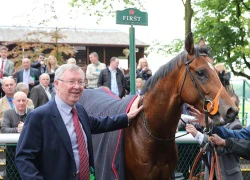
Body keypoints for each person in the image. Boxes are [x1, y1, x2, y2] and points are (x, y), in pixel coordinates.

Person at [15, 64, 143, 180]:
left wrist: (127, 117)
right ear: (57, 84)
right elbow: (24, 158)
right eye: (71, 81)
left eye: (80, 82)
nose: (77, 86)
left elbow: (99, 123)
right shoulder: (39, 117)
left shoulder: (79, 110)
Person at [186, 92, 243, 180]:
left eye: (230, 106)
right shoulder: (215, 121)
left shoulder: (236, 126)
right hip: (211, 175)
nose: (226, 109)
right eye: (224, 104)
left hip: (228, 177)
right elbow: (194, 122)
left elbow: (220, 148)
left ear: (237, 109)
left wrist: (197, 135)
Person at [1, 91, 32, 180]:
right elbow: (4, 129)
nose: (21, 103)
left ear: (27, 101)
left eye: (23, 100)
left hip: (29, 151)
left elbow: (38, 128)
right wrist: (17, 130)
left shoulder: (33, 112)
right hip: (12, 152)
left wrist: (25, 128)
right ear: (14, 102)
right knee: (12, 175)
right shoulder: (8, 113)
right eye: (18, 100)